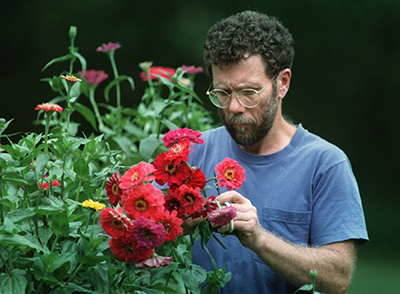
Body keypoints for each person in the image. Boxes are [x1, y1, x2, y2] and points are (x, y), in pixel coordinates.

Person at [183, 10, 369, 294]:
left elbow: (337, 279)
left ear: (282, 83)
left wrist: (259, 238)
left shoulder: (325, 164)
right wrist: (172, 227)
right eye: (222, 92)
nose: (234, 106)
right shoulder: (192, 153)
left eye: (249, 92)